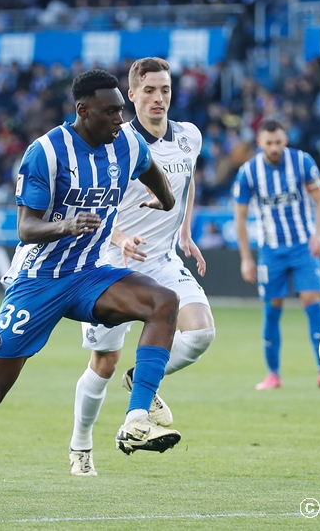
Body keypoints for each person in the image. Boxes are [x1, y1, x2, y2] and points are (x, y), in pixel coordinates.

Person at [0, 69, 181, 495]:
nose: (121, 118)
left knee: (163, 302)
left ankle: (136, 419)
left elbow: (151, 170)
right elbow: (25, 227)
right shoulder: (46, 153)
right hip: (37, 281)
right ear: (83, 111)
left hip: (89, 274)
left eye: (121, 110)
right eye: (112, 111)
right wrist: (67, 224)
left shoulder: (127, 143)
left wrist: (166, 200)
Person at [69, 57, 216, 477]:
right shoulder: (115, 145)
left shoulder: (190, 137)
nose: (158, 98)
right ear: (131, 96)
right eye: (149, 90)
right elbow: (92, 205)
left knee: (201, 332)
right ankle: (81, 444)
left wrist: (185, 232)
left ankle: (143, 382)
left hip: (163, 260)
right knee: (103, 363)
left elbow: (186, 182)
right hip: (113, 263)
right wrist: (118, 238)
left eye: (165, 90)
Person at [233, 119, 320, 391]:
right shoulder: (249, 172)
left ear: (285, 139)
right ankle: (273, 374)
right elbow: (240, 217)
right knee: (272, 309)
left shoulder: (302, 162)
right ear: (260, 143)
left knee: (312, 303)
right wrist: (246, 258)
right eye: (269, 143)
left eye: (278, 142)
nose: (274, 147)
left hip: (303, 246)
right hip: (271, 251)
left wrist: (319, 234)